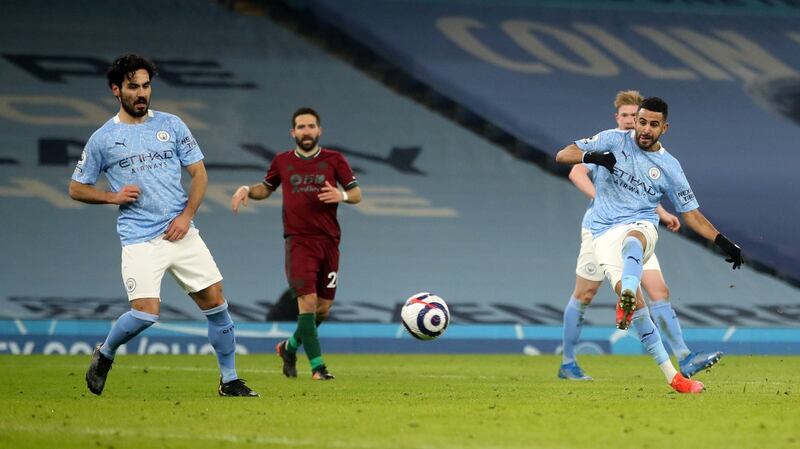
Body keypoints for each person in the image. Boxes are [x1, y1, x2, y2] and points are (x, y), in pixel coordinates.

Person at [69, 54, 257, 397]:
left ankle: (229, 380)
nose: (141, 93)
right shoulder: (103, 139)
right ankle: (106, 354)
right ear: (116, 90)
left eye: (146, 86)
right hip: (140, 238)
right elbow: (75, 188)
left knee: (217, 304)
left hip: (181, 232)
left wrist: (186, 216)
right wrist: (111, 197)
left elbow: (199, 174)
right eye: (133, 87)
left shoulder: (171, 125)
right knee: (145, 314)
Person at [555, 97, 743, 394]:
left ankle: (634, 297)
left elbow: (691, 214)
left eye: (652, 124)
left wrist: (723, 242)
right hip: (601, 232)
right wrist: (592, 157)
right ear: (633, 121)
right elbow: (563, 155)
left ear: (664, 128)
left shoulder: (669, 166)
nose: (644, 129)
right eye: (641, 122)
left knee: (636, 240)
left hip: (641, 225)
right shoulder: (612, 140)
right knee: (634, 309)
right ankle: (675, 378)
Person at [231, 107, 361, 380]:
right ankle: (318, 368)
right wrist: (246, 189)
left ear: (319, 130)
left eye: (311, 126)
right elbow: (265, 188)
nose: (306, 131)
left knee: (323, 309)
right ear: (293, 132)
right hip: (299, 242)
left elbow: (356, 194)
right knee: (308, 302)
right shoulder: (282, 162)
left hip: (329, 242)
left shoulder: (334, 160)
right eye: (301, 127)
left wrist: (341, 195)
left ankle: (288, 348)